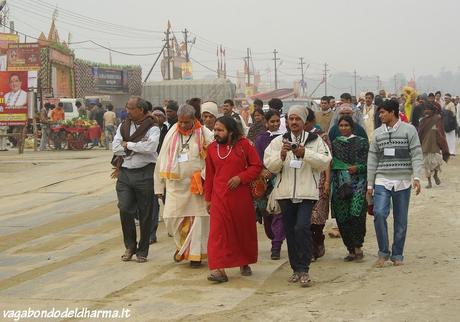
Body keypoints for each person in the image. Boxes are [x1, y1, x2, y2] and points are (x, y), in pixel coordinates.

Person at [264, 106, 331, 287]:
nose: (294, 122)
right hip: (285, 194)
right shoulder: (278, 141)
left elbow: (325, 161)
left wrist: (304, 153)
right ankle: (296, 269)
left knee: (302, 228)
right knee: (291, 231)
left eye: (297, 119)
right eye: (290, 119)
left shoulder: (315, 140)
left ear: (304, 122)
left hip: (306, 193)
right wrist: (282, 155)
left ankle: (305, 269)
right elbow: (270, 165)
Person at [154, 104, 214, 267]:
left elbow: (213, 160)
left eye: (186, 122)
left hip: (197, 187)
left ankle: (194, 256)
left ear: (194, 120)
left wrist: (203, 177)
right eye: (180, 122)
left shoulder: (205, 134)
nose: (182, 125)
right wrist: (159, 187)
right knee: (171, 218)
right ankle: (182, 247)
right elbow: (161, 159)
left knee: (198, 221)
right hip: (175, 186)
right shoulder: (172, 131)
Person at [205, 116, 262, 282]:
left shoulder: (244, 145)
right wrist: (208, 199)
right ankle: (218, 270)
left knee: (241, 230)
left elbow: (256, 166)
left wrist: (241, 178)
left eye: (220, 130)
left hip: (240, 197)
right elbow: (209, 175)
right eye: (215, 130)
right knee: (217, 233)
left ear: (230, 132)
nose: (216, 133)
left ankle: (244, 262)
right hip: (219, 198)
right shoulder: (211, 149)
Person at [367, 99, 423, 268]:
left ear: (392, 112)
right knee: (379, 213)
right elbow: (372, 158)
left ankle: (397, 254)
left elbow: (416, 154)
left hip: (403, 181)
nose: (380, 115)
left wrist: (417, 177)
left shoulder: (409, 130)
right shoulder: (377, 133)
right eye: (380, 112)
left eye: (383, 112)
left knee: (400, 220)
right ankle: (383, 252)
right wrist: (370, 185)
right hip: (382, 179)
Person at [112, 96, 160, 263]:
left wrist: (129, 145)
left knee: (145, 213)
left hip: (145, 173)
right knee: (124, 208)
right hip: (125, 173)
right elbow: (115, 147)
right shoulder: (123, 126)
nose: (128, 111)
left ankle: (143, 250)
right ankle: (130, 245)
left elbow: (151, 147)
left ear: (140, 110)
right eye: (127, 108)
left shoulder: (153, 128)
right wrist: (132, 146)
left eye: (131, 108)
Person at [331, 115, 369, 262]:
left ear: (352, 127)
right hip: (340, 183)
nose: (343, 128)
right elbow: (331, 162)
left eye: (346, 125)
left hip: (358, 183)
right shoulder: (334, 143)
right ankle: (350, 249)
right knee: (342, 216)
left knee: (357, 213)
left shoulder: (362, 142)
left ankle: (358, 246)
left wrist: (358, 168)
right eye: (341, 126)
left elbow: (369, 163)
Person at [254, 109, 285, 260]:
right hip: (264, 183)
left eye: (277, 121)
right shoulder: (260, 139)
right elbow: (256, 159)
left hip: (280, 180)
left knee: (279, 213)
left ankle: (276, 245)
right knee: (267, 214)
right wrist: (261, 171)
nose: (275, 124)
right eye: (272, 121)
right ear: (266, 123)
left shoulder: (285, 138)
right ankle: (274, 237)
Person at [304, 108, 331, 261]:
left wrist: (327, 181)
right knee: (305, 219)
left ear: (312, 122)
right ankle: (309, 250)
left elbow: (327, 160)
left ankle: (318, 241)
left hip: (320, 181)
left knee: (317, 219)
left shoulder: (322, 137)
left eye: (306, 123)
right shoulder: (296, 137)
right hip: (304, 181)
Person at [417, 102, 450, 188]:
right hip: (425, 145)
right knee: (426, 165)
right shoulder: (422, 120)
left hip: (435, 145)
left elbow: (441, 133)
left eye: (428, 109)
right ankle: (429, 182)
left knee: (436, 163)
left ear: (432, 110)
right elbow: (419, 133)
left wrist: (442, 144)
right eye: (425, 109)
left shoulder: (437, 119)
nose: (426, 111)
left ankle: (435, 175)